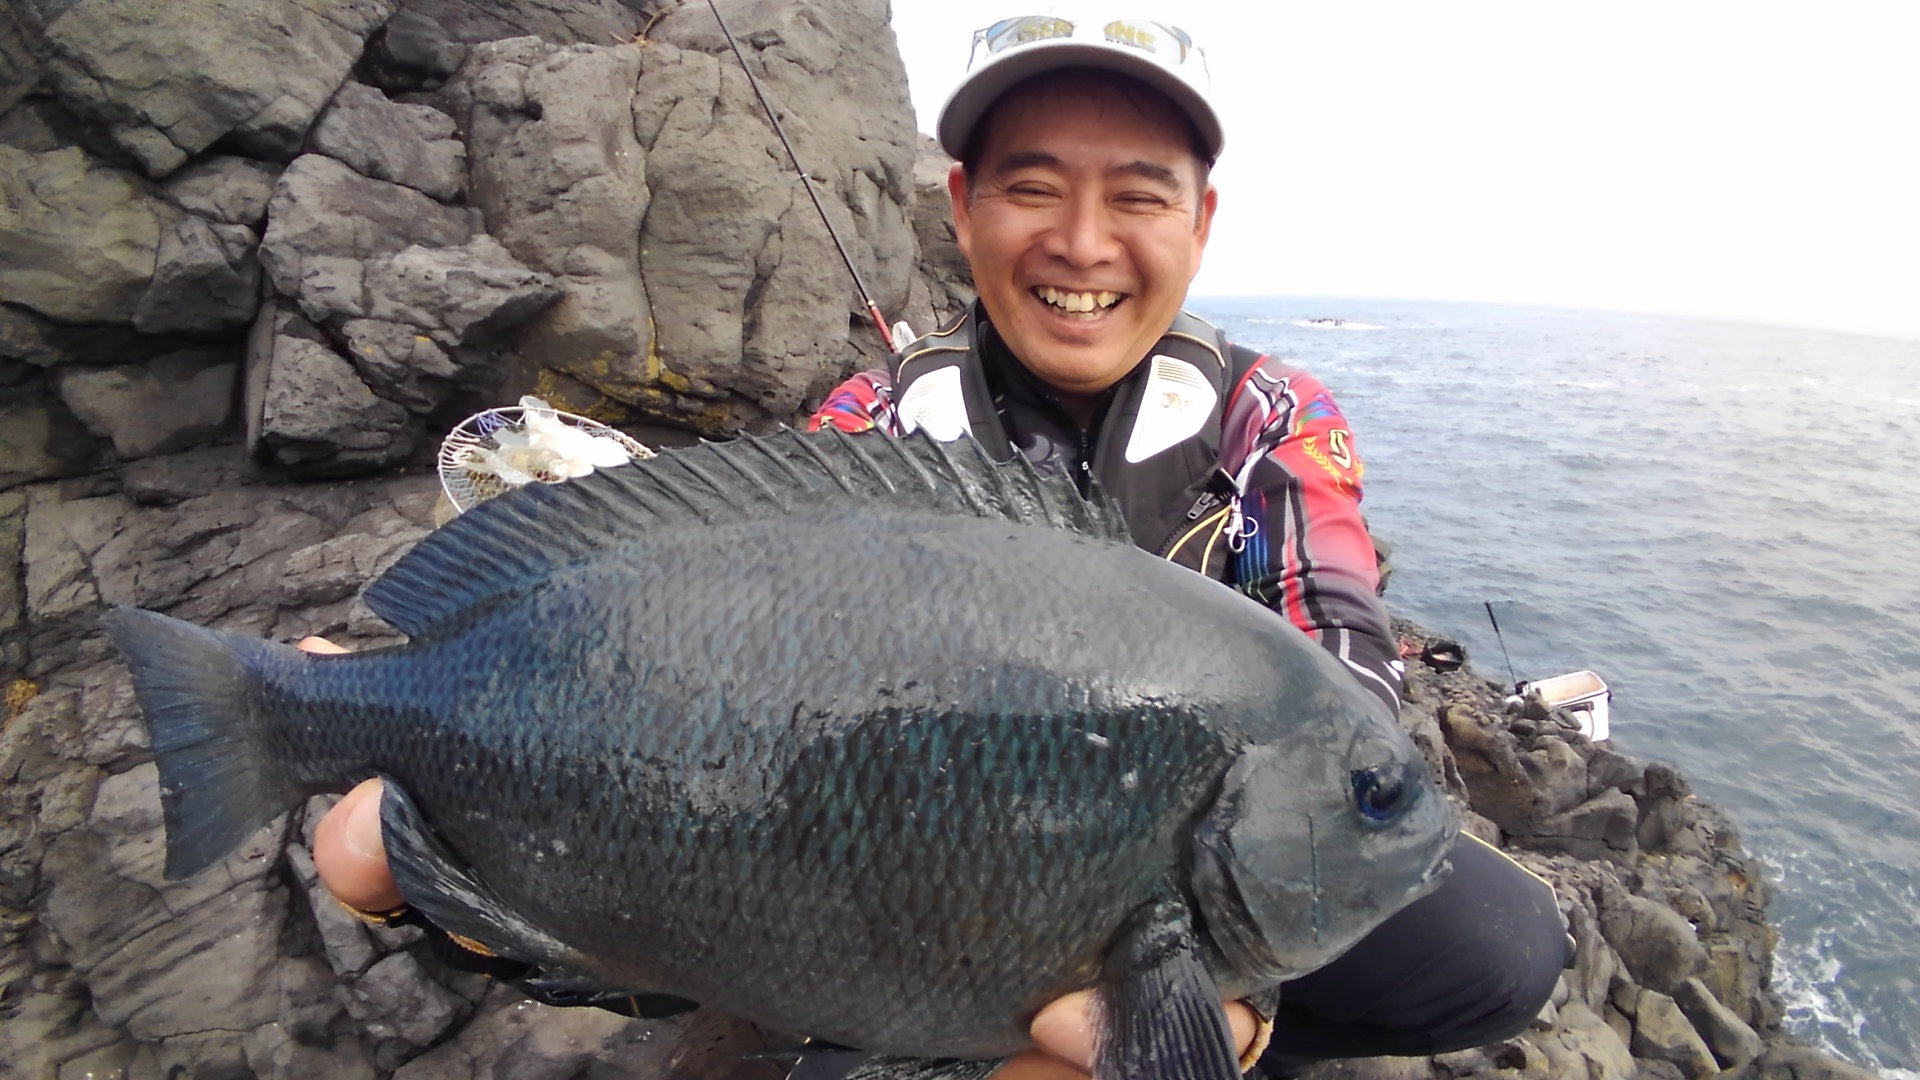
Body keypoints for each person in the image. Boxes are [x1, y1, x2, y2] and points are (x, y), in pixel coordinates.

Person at [311, 14, 1571, 1077]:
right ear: (961, 207)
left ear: (1202, 221)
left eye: (1139, 195)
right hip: (848, 865)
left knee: (1498, 944)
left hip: (1148, 888)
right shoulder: (870, 423)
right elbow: (729, 646)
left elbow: (1345, 680)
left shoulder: (1273, 418)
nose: (1082, 243)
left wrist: (1218, 1005)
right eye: (1031, 187)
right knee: (403, 855)